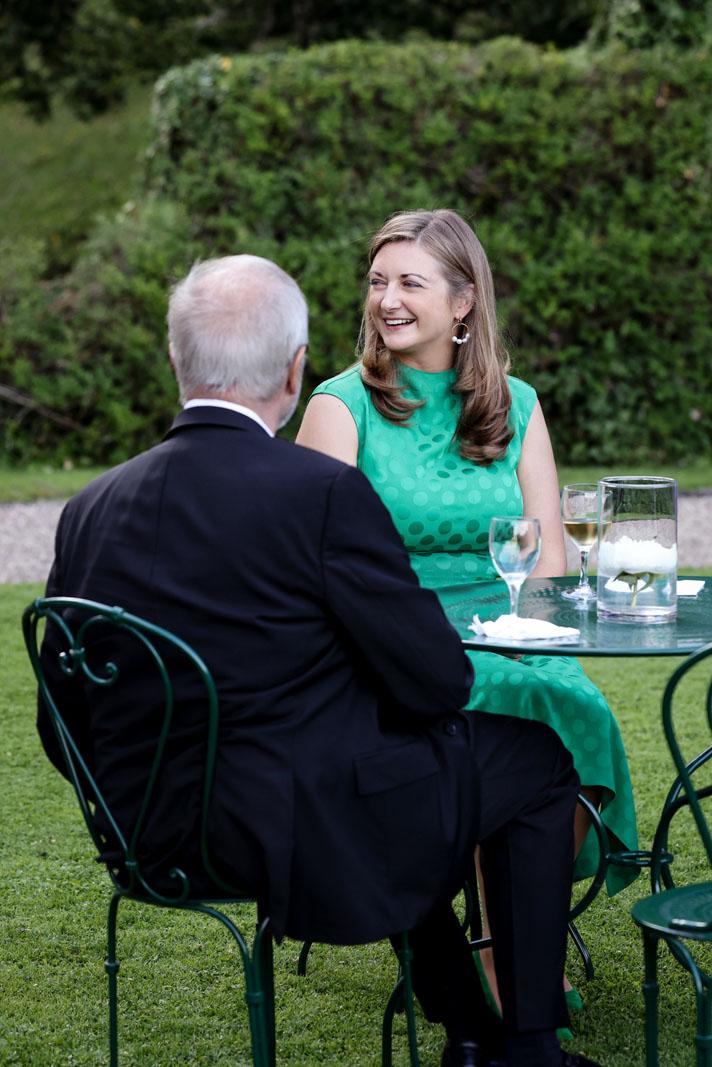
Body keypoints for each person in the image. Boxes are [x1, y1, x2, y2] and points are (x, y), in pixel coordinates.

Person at [38, 254, 600, 1067]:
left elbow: (62, 722)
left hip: (145, 832)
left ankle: (471, 1029)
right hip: (297, 829)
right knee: (535, 761)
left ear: (175, 359)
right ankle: (530, 1047)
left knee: (398, 776)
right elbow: (438, 682)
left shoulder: (91, 507)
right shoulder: (319, 492)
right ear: (296, 369)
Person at [297, 208, 639, 1010]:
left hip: (514, 628)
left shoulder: (515, 403)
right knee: (533, 704)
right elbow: (314, 571)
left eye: (410, 282)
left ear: (463, 303)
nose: (387, 299)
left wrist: (522, 626)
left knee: (575, 709)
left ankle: (516, 935)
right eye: (379, 281)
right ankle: (499, 955)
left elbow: (550, 552)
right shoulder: (339, 407)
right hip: (392, 647)